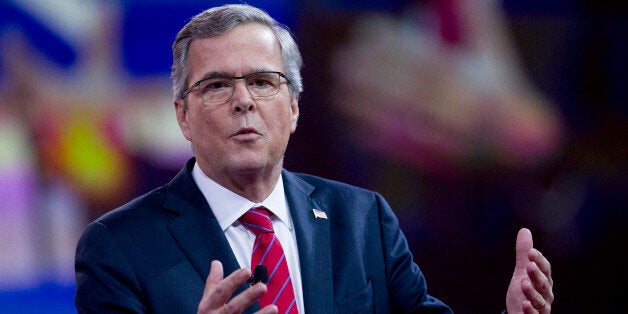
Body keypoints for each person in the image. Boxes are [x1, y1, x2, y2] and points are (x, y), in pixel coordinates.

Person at [74, 4, 554, 314]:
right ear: (183, 114)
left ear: (294, 107)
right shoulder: (117, 247)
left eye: (263, 83)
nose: (244, 101)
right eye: (218, 86)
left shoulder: (364, 219)